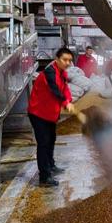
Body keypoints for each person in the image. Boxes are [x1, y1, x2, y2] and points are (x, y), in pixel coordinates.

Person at [28, 47, 76, 187]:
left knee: (51, 140)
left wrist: (69, 100)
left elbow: (65, 88)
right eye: (64, 60)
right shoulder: (50, 72)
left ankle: (51, 165)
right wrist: (65, 102)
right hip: (38, 113)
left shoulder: (62, 73)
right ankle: (44, 177)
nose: (67, 63)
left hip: (51, 114)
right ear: (57, 59)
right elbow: (55, 91)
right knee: (43, 144)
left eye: (70, 61)